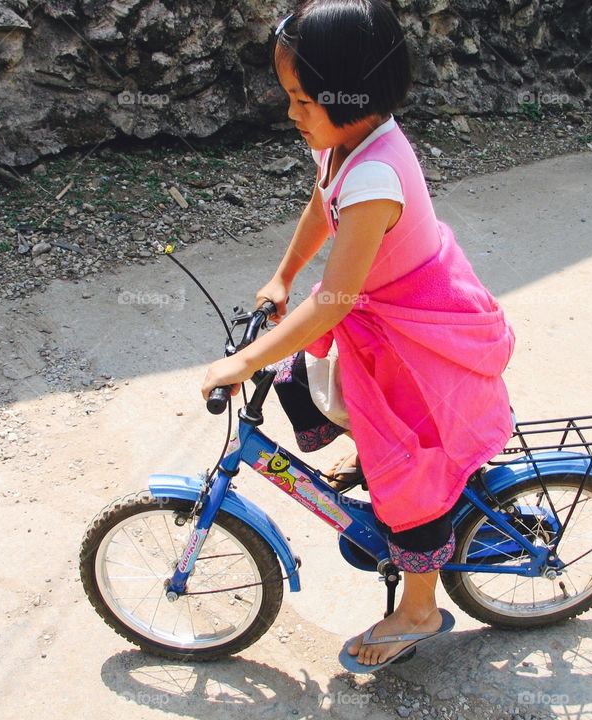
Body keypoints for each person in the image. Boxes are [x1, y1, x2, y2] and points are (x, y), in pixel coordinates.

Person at [201, 0, 516, 671]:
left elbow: (336, 299)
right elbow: (324, 202)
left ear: (354, 95)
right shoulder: (346, 143)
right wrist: (282, 275)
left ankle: (421, 608)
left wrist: (244, 360)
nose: (292, 114)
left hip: (415, 336)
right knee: (304, 382)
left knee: (413, 472)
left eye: (302, 100)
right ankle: (378, 458)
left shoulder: (374, 175)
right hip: (388, 315)